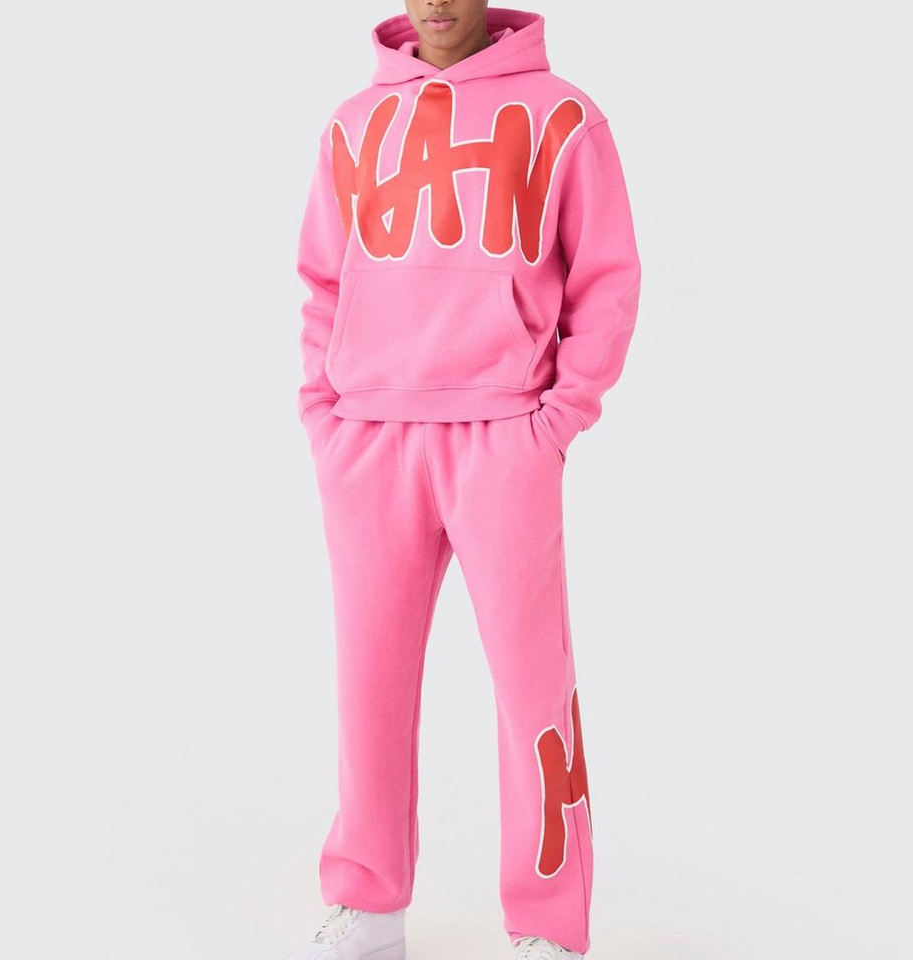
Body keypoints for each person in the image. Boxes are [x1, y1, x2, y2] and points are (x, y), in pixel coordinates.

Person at [289, 3, 641, 958]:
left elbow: (607, 278)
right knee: (368, 682)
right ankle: (369, 908)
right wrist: (324, 411)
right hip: (368, 437)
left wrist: (558, 418)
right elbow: (323, 279)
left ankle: (547, 926)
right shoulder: (353, 123)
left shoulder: (564, 115)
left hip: (503, 437)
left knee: (533, 686)